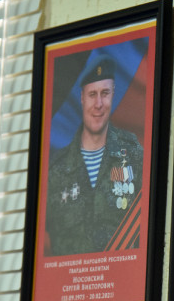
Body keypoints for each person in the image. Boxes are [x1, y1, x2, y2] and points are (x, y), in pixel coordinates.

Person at [46, 54, 143, 255]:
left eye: (105, 93)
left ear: (113, 95)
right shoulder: (56, 169)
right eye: (92, 94)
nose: (98, 104)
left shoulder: (135, 157)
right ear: (82, 98)